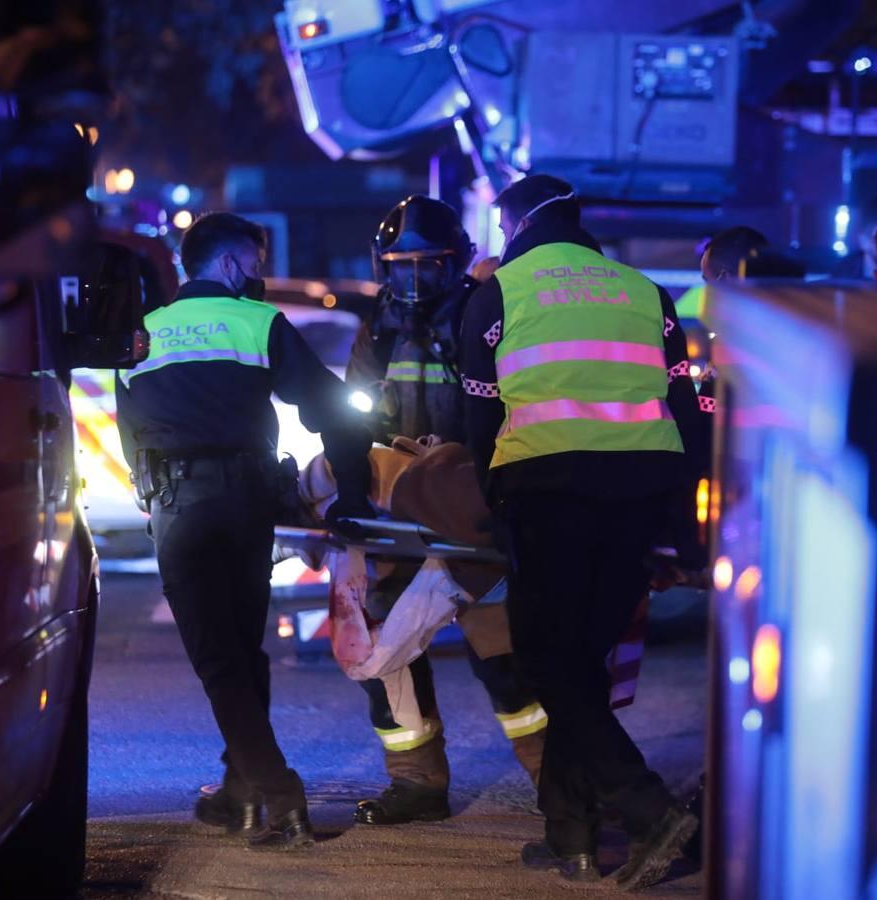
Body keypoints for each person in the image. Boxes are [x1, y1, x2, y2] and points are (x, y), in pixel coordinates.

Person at [459, 174, 705, 888]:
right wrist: (682, 527)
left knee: (545, 663)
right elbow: (686, 411)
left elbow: (480, 419)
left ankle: (651, 812)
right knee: (580, 664)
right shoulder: (644, 293)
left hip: (547, 494)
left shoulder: (498, 294)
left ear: (515, 224)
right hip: (637, 496)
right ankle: (571, 832)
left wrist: (491, 501)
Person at [115, 212, 373, 850]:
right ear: (231, 265)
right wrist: (353, 491)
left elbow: (130, 432)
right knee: (240, 647)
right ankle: (240, 794)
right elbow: (329, 409)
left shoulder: (140, 335)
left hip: (180, 503)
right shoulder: (259, 323)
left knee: (218, 656)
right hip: (251, 503)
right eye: (255, 263)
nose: (257, 276)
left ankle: (277, 794)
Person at [343, 195, 547, 825]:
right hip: (396, 509)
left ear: (454, 264)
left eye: (425, 267)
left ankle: (555, 778)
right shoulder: (376, 326)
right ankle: (416, 782)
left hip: (469, 506)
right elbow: (353, 415)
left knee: (504, 658)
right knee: (385, 650)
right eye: (399, 267)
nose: (410, 281)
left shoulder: (482, 315)